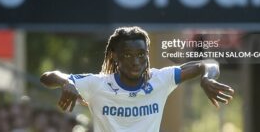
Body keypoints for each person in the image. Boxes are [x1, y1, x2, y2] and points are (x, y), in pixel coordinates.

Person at [40, 26, 234, 132]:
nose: (136, 61)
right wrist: (67, 83)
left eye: (141, 54)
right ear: (115, 56)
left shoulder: (160, 80)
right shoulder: (97, 84)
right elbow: (47, 77)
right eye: (128, 55)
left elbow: (207, 64)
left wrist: (207, 78)